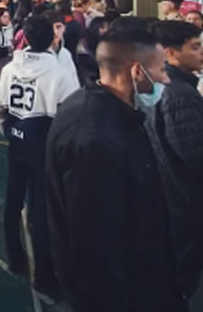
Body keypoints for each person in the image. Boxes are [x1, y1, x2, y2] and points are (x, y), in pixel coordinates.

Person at [45, 27, 187, 311]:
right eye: (160, 70)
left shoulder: (103, 110)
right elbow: (94, 249)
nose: (166, 78)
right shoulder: (95, 141)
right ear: (137, 72)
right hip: (129, 295)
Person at [0, 15, 79, 300]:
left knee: (13, 198)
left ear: (25, 38)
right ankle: (44, 275)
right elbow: (71, 118)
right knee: (42, 212)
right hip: (45, 147)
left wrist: (10, 131)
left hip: (17, 142)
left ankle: (14, 255)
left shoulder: (10, 69)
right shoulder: (60, 74)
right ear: (53, 39)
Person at [146, 20, 203, 298]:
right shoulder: (180, 95)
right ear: (171, 53)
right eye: (195, 47)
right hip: (187, 201)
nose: (202, 52)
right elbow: (196, 154)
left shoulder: (182, 87)